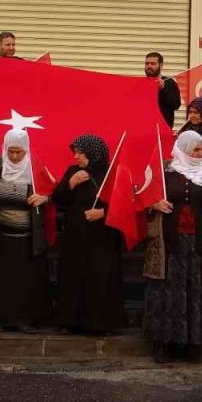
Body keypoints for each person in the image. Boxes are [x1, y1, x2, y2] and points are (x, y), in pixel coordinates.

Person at [143, 131, 202, 363]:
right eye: (195, 150)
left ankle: (190, 344)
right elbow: (141, 195)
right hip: (168, 243)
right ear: (184, 148)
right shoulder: (165, 170)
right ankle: (162, 344)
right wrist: (154, 204)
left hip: (196, 244)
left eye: (201, 150)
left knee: (193, 291)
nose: (200, 154)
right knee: (166, 293)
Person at [0, 129, 51, 333]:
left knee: (24, 281)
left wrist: (44, 198)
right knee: (1, 279)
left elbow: (52, 191)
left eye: (19, 152)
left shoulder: (36, 168)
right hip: (1, 236)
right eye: (11, 152)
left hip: (28, 237)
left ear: (26, 150)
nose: (15, 156)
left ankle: (24, 320)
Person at [53, 134, 127, 335]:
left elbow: (124, 202)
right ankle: (69, 321)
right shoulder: (73, 171)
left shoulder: (113, 172)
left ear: (93, 154)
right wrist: (71, 184)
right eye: (75, 153)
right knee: (73, 276)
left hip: (103, 236)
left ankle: (100, 324)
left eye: (80, 153)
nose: (76, 157)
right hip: (76, 234)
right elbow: (58, 198)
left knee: (100, 277)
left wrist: (103, 213)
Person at [145, 52, 181, 128]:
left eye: (153, 63)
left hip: (163, 130)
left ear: (161, 66)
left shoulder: (169, 82)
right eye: (147, 63)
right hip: (144, 129)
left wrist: (163, 89)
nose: (149, 66)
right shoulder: (141, 84)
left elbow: (176, 105)